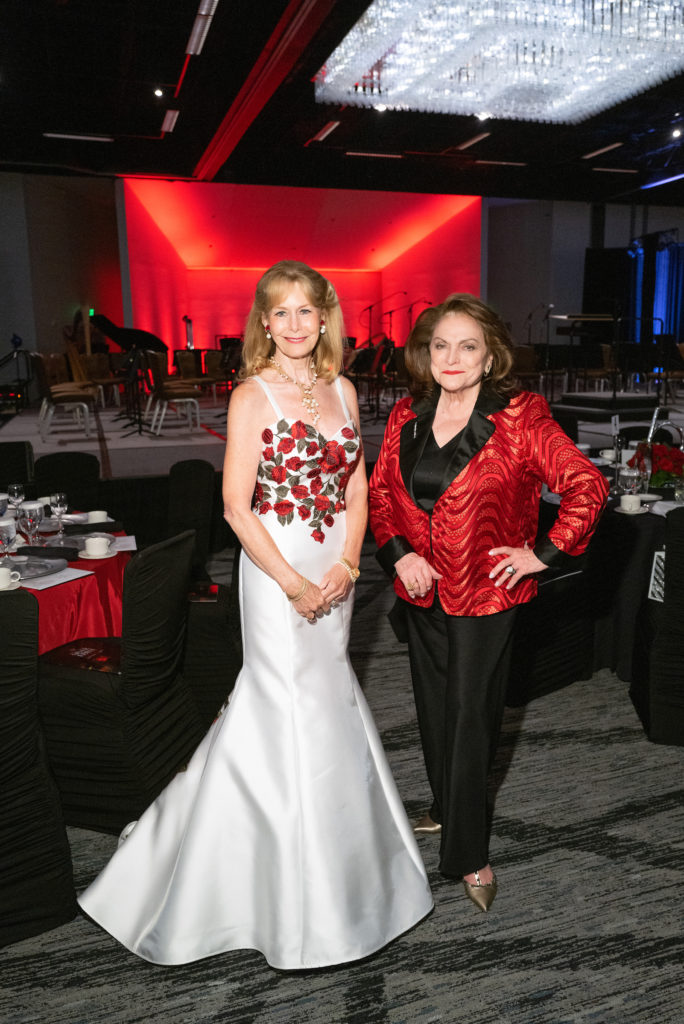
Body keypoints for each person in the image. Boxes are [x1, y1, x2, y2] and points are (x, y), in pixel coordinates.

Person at [78, 260, 433, 969]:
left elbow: (357, 488)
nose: (295, 324)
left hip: (334, 569)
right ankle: (282, 893)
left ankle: (333, 868)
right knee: (284, 703)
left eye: (307, 310)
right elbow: (236, 508)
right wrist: (294, 584)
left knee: (327, 700)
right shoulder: (251, 395)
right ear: (264, 323)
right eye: (281, 312)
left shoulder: (343, 388)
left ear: (325, 318)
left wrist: (347, 564)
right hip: (275, 570)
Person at [369, 293, 608, 912]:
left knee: (470, 717)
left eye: (467, 346)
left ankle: (470, 853)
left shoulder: (521, 417)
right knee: (433, 711)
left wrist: (544, 553)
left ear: (490, 355)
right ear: (425, 353)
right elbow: (382, 495)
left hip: (486, 593)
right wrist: (400, 555)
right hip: (421, 589)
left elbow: (587, 485)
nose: (452, 358)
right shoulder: (407, 414)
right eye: (440, 345)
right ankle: (447, 806)